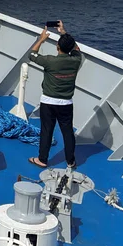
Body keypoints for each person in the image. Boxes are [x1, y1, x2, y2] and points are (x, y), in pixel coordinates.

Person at [28, 21, 82, 169]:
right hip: (66, 103)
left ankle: (42, 159)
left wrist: (41, 39)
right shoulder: (77, 60)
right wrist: (63, 32)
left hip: (48, 102)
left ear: (57, 47)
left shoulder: (49, 61)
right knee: (68, 132)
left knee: (47, 130)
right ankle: (70, 161)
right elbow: (76, 48)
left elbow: (32, 55)